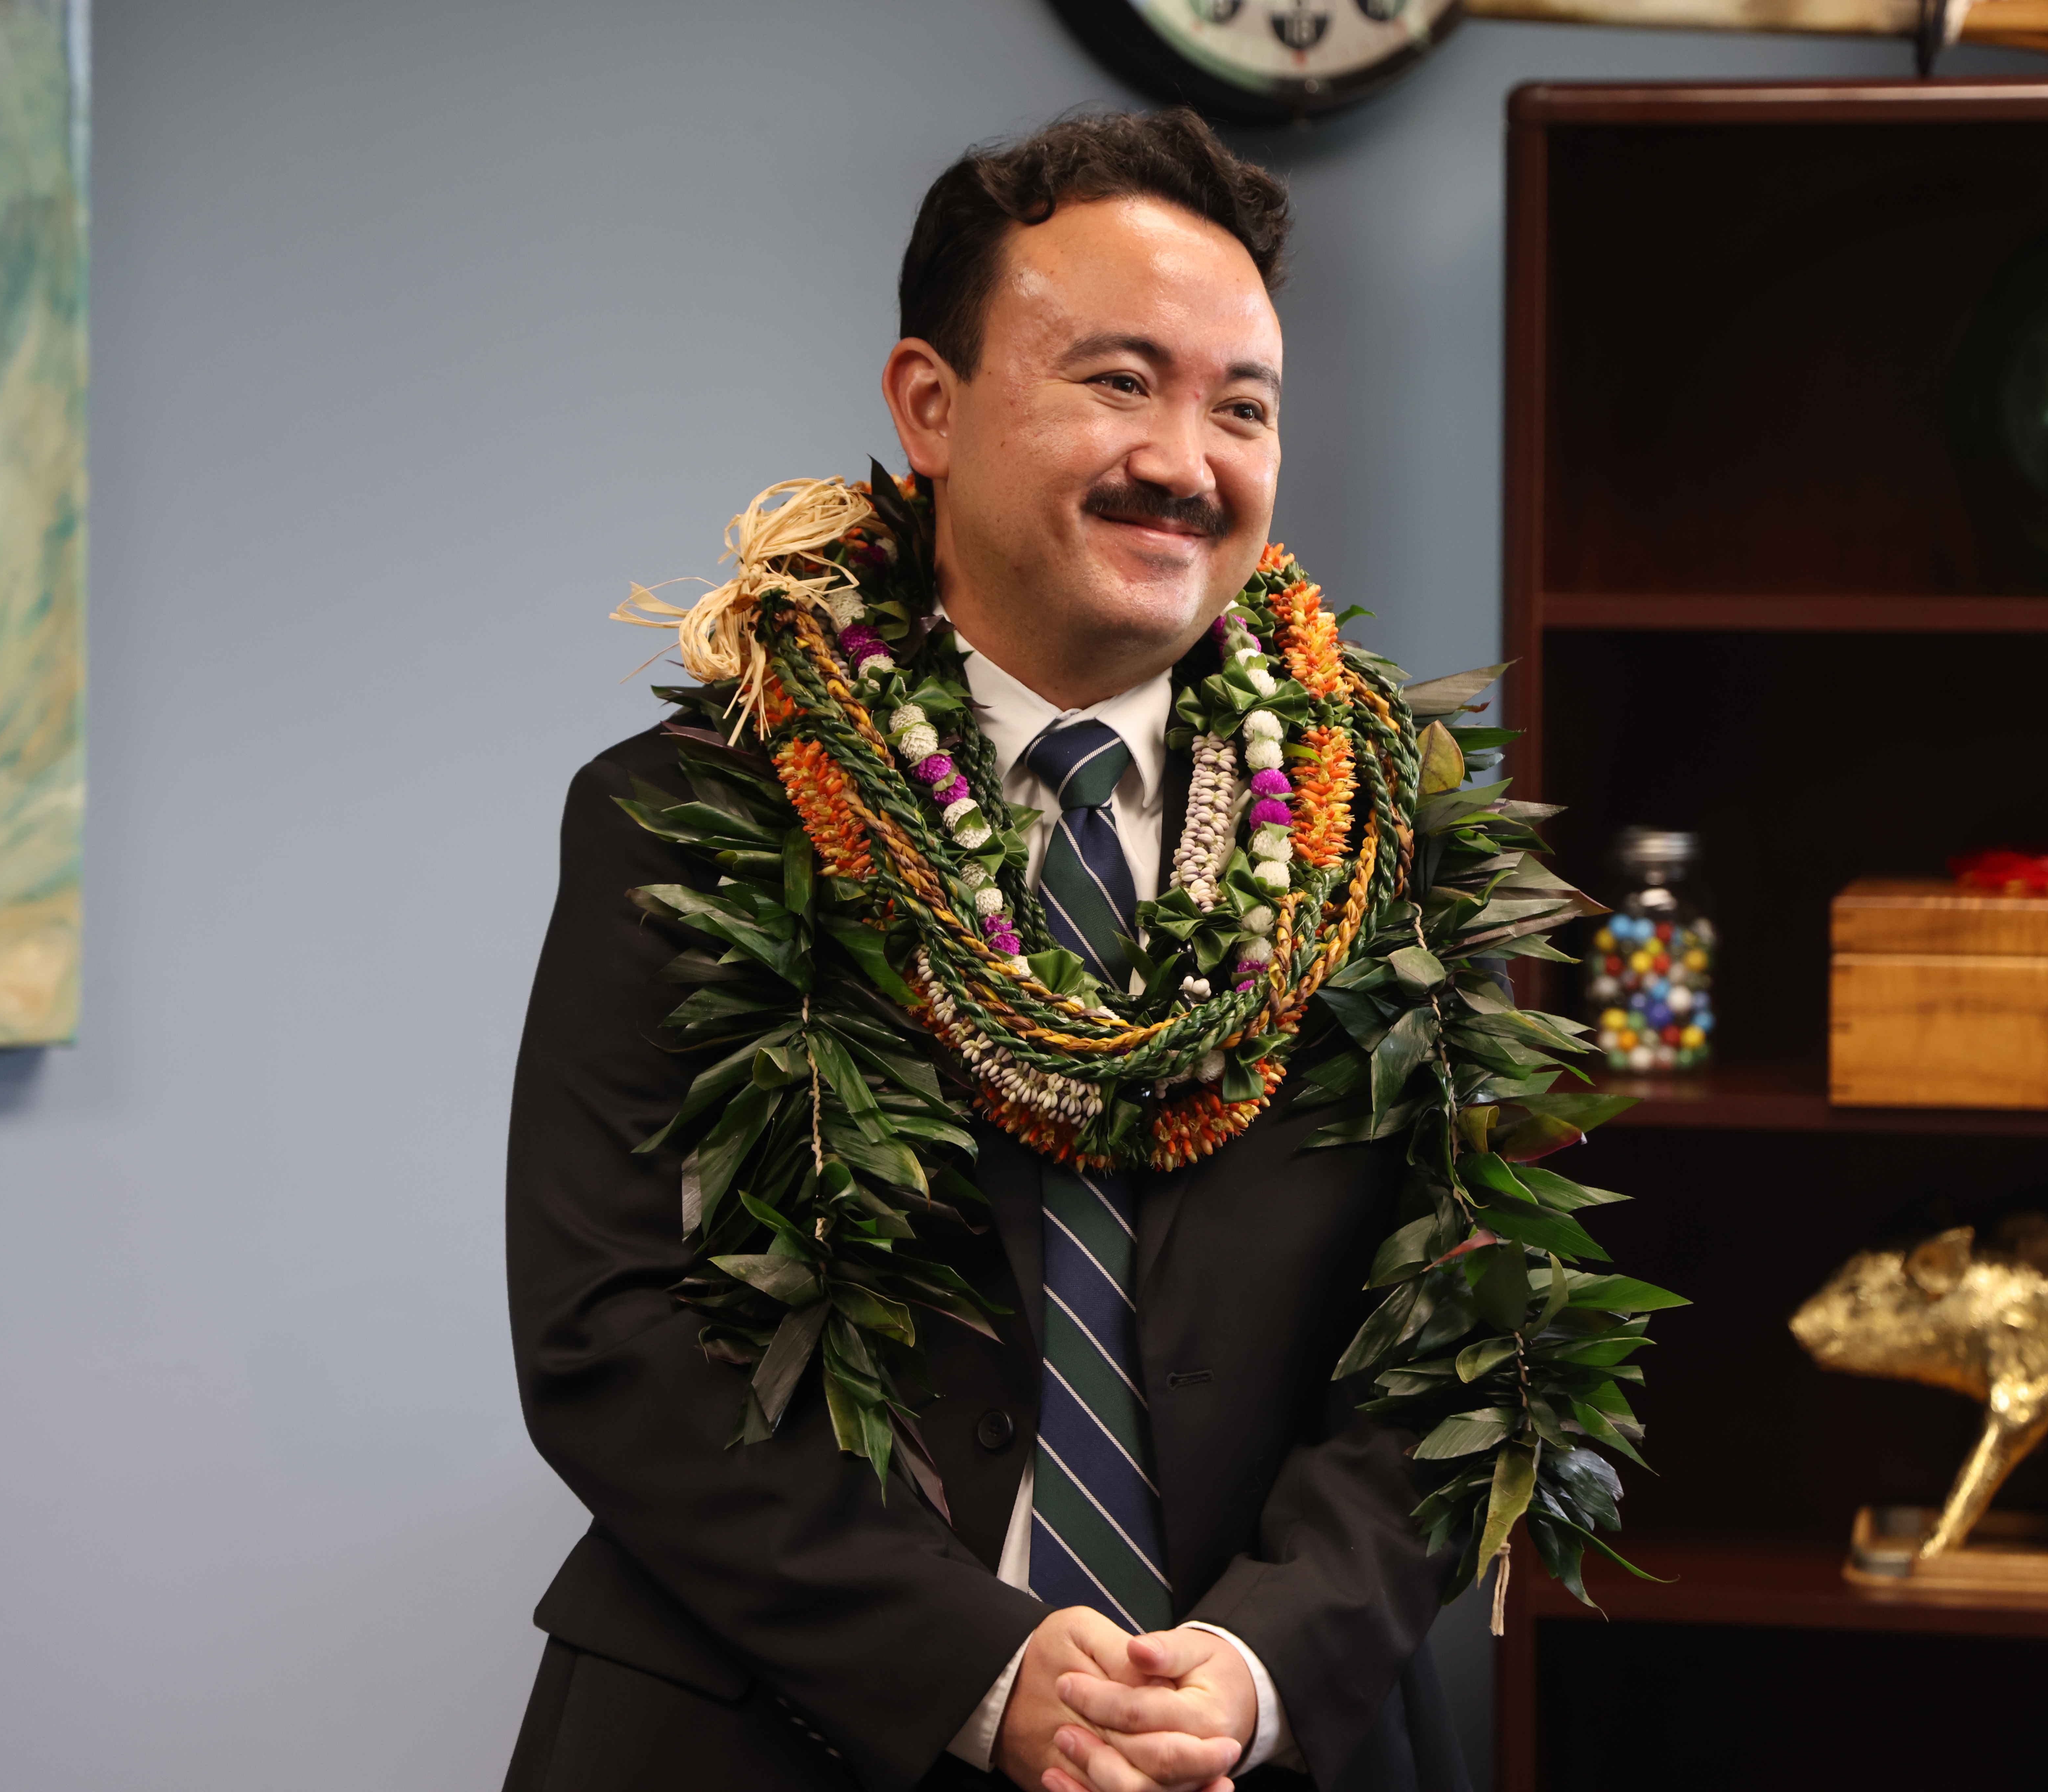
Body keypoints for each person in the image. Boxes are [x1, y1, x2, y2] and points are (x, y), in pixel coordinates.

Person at [502, 111, 1473, 1792]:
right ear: (927, 406)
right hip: (774, 1731)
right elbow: (608, 1333)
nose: (1186, 457)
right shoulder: (689, 813)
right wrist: (977, 1665)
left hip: (1260, 1746)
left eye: (1241, 406)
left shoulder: (1386, 839)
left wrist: (1255, 1663)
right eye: (1117, 380)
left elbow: (1465, 1330)